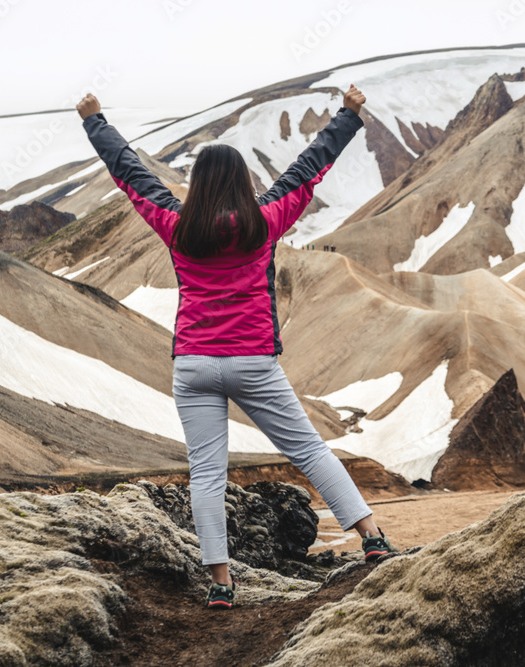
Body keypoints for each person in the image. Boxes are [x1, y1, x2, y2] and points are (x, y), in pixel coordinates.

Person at [77, 85, 396, 611]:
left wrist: (95, 122)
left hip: (195, 365)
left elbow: (132, 176)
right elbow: (308, 167)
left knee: (206, 473)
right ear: (243, 183)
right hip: (253, 363)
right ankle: (372, 538)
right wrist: (348, 114)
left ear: (198, 186)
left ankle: (221, 584)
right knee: (310, 451)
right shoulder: (265, 221)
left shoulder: (177, 227)